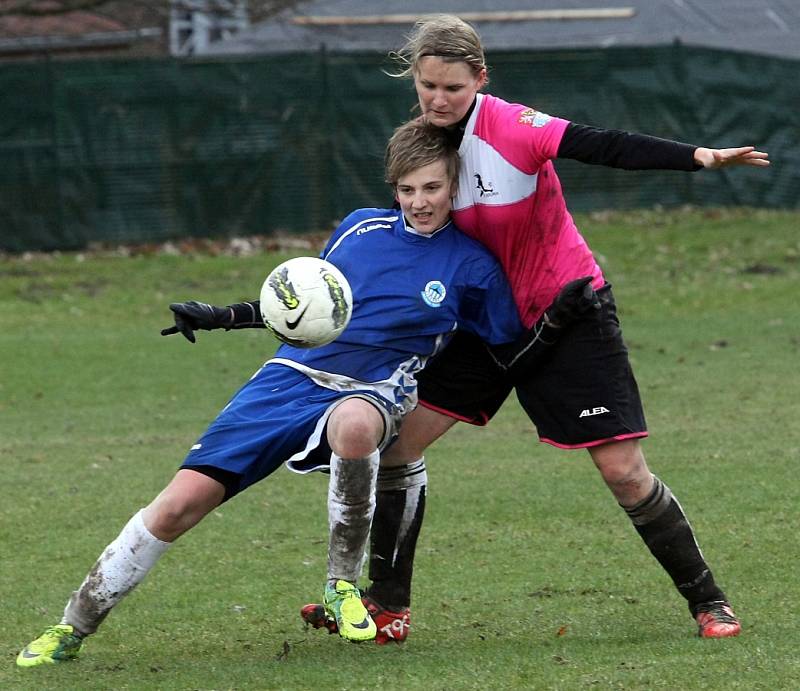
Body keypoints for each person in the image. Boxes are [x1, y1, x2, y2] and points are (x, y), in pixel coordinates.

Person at [16, 119, 597, 666]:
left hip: (374, 388)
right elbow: (307, 307)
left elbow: (505, 355)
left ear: (453, 185)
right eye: (406, 189)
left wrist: (553, 325)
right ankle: (72, 626)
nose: (419, 201)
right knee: (176, 507)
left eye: (432, 187)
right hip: (286, 381)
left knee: (355, 426)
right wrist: (223, 315)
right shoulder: (358, 229)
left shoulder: (473, 266)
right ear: (392, 190)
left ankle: (341, 585)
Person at [302, 14, 770, 644]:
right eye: (428, 86)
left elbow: (600, 143)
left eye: (453, 88)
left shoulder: (513, 127)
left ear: (481, 79)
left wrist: (699, 157)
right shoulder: (423, 146)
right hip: (480, 325)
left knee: (624, 471)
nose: (439, 100)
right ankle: (388, 606)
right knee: (397, 447)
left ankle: (708, 601)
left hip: (568, 314)